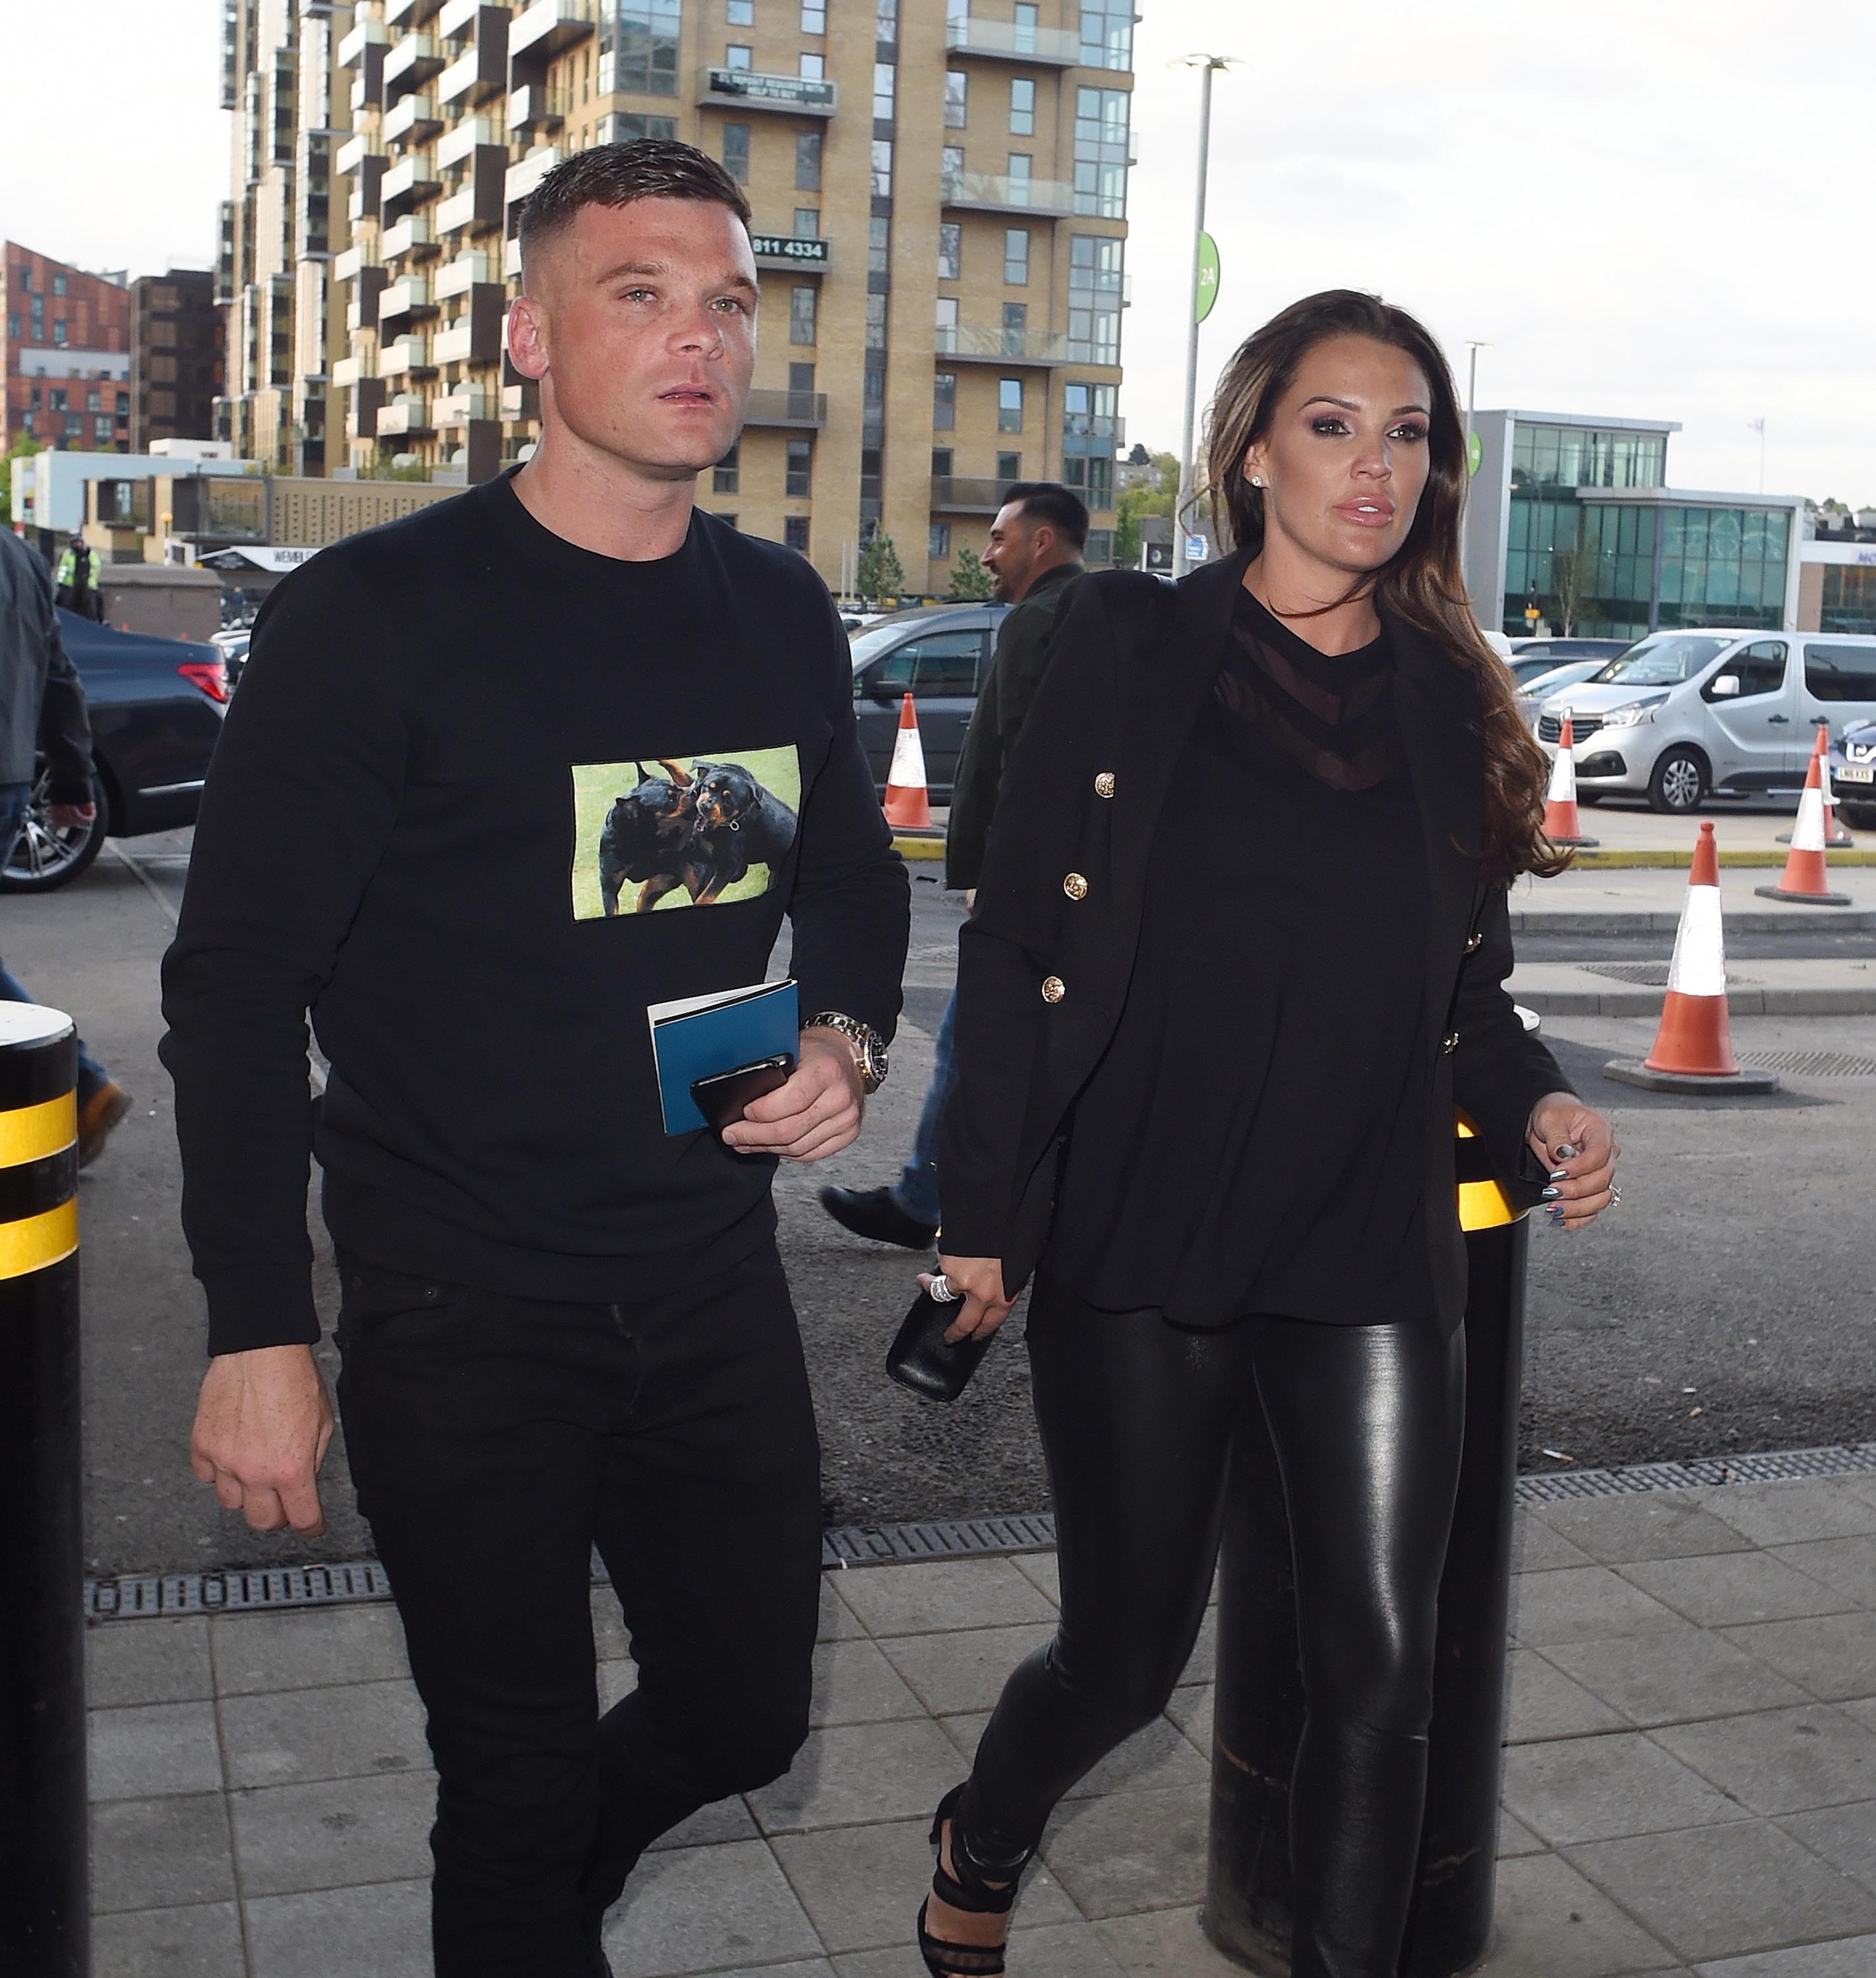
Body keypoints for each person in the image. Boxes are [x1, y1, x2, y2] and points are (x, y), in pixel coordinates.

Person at [160, 141, 909, 1977]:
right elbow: (236, 992)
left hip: (704, 1284)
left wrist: (844, 1033)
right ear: (525, 336)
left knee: (745, 1721)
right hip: (458, 1307)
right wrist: (257, 1330)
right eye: (638, 295)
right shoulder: (378, 618)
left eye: (727, 302)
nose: (699, 340)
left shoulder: (776, 609)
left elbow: (849, 873)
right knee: (503, 1779)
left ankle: (530, 1899)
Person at [911, 291, 1623, 1978]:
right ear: (1249, 450)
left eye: (1407, 433)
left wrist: (1538, 1100)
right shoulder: (1125, 644)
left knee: (1384, 1666)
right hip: (1147, 1236)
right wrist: (983, 1214)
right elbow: (1015, 945)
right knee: (1124, 1656)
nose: (1373, 465)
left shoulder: (1451, 695)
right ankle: (982, 1829)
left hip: (1365, 1245)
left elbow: (1464, 999)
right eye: (1332, 424)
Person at [818, 483, 1087, 1250]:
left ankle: (925, 1200)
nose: (987, 554)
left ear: (1041, 541)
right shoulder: (1091, 616)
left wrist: (989, 872)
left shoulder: (1041, 619)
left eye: (1000, 538)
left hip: (1029, 887)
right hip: (1068, 882)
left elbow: (1018, 760)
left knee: (972, 1044)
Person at [0, 525, 132, 1162]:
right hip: (8, 780)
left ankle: (80, 1085)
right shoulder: (23, 558)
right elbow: (58, 673)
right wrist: (71, 779)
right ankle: (82, 1088)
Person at [53, 533, 101, 620]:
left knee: (97, 603)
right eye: (75, 542)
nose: (77, 544)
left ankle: (100, 620)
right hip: (70, 585)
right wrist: (60, 582)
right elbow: (63, 568)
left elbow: (96, 567)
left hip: (88, 585)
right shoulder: (68, 554)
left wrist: (88, 576)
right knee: (59, 600)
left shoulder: (90, 554)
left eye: (79, 542)